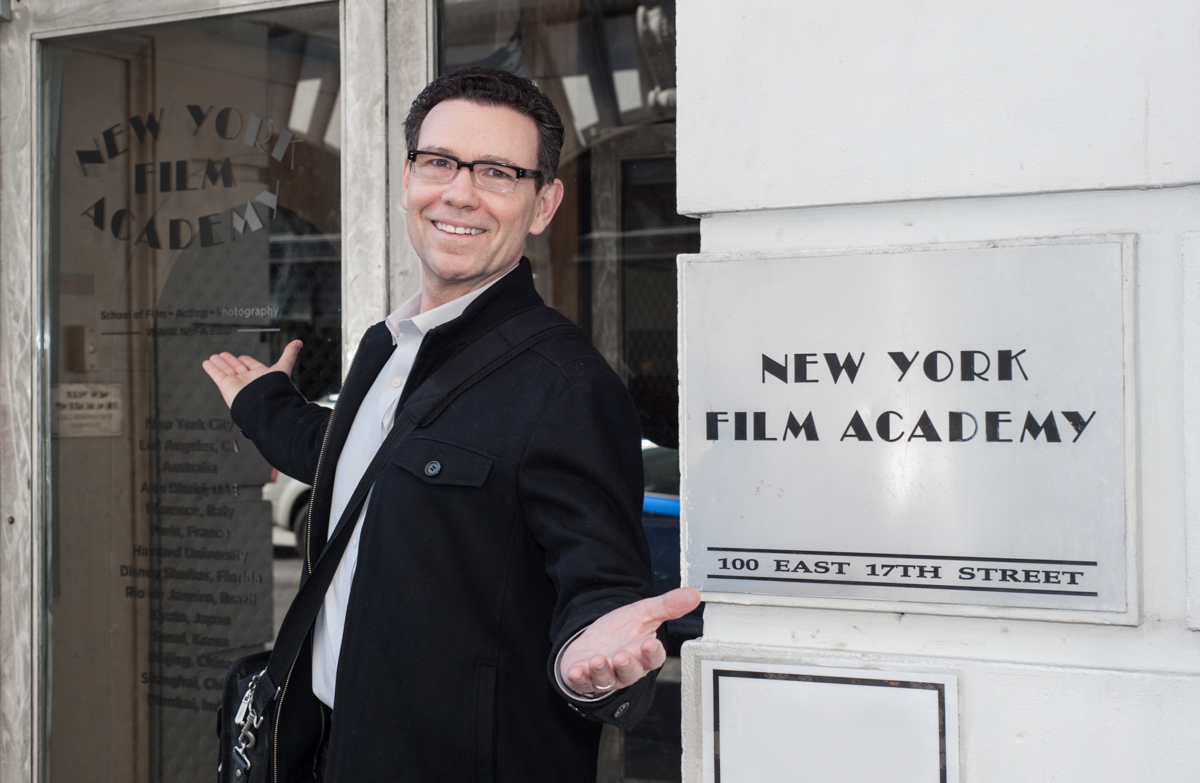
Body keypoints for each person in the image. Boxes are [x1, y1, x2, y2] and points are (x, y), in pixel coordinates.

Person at [202, 67, 700, 782]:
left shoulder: (564, 387)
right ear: (408, 178)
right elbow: (359, 460)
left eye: (498, 171)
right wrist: (263, 405)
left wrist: (591, 662)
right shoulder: (388, 347)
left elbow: (597, 584)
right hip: (334, 746)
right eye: (440, 162)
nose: (460, 191)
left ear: (542, 203)